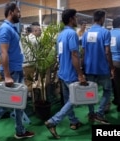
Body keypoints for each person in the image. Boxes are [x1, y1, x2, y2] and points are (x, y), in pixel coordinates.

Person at [0, 2, 34, 141]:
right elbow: (3, 53)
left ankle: (20, 131)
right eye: (18, 11)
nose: (20, 14)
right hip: (11, 73)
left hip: (17, 69)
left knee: (19, 102)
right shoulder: (5, 29)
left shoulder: (12, 28)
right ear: (11, 12)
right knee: (6, 104)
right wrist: (8, 76)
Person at [44, 9, 86, 139]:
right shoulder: (72, 34)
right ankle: (53, 121)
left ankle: (73, 121)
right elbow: (74, 54)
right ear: (71, 19)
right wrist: (80, 74)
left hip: (62, 72)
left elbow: (60, 54)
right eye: (76, 17)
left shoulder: (60, 35)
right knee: (75, 99)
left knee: (68, 99)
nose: (77, 20)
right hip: (71, 74)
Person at [81, 10, 114, 124]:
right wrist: (112, 67)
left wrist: (83, 67)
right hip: (102, 68)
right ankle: (99, 114)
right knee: (107, 90)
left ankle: (91, 113)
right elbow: (107, 52)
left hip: (89, 68)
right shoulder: (105, 32)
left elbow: (83, 52)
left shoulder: (86, 34)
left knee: (90, 92)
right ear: (102, 19)